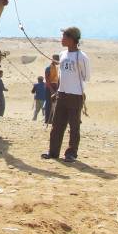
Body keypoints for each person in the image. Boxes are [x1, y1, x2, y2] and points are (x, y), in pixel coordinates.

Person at [42, 27, 91, 163]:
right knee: (57, 125)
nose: (61, 39)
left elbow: (86, 77)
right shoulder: (62, 54)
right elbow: (61, 75)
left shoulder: (82, 57)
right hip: (61, 94)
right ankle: (53, 152)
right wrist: (57, 92)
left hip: (75, 95)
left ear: (71, 39)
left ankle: (71, 153)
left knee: (74, 126)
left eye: (64, 37)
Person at [43, 54, 60, 123]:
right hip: (49, 87)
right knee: (49, 104)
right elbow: (47, 81)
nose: (58, 61)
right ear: (53, 59)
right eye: (57, 59)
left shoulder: (56, 68)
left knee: (54, 104)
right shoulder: (48, 68)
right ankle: (47, 120)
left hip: (55, 87)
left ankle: (52, 119)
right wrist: (52, 90)